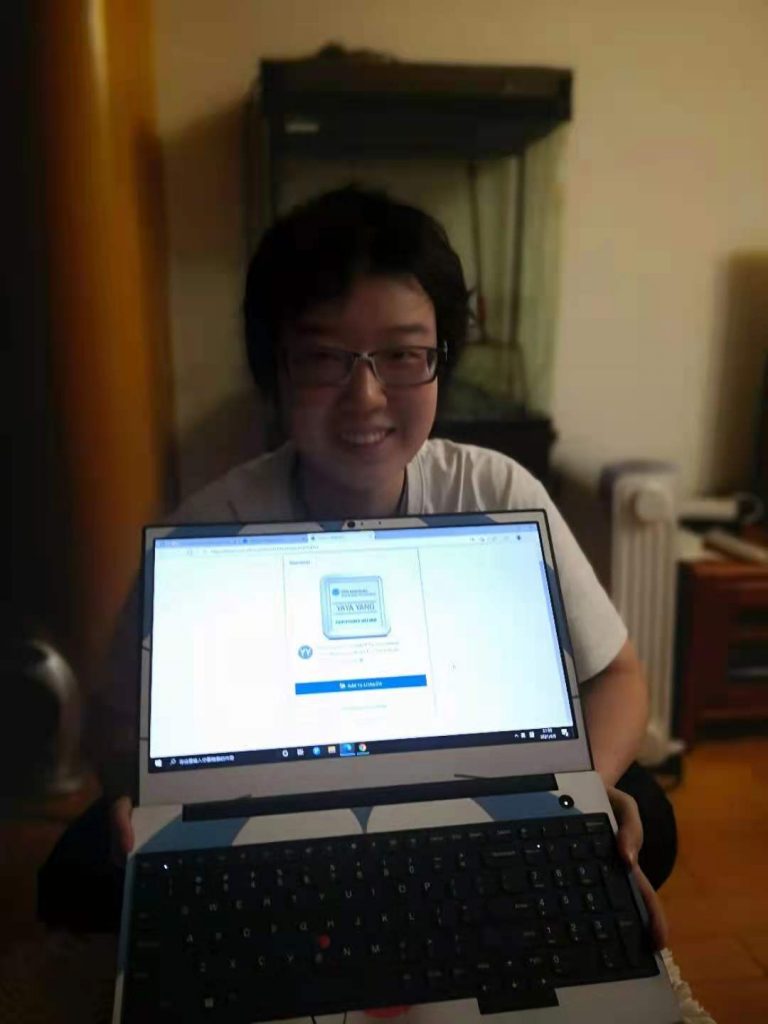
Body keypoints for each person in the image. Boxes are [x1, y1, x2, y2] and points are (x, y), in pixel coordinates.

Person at [40, 186, 675, 947]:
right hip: (273, 811)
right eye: (323, 359)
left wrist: (578, 797)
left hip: (467, 797)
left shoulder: (495, 491)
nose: (366, 397)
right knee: (82, 871)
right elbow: (117, 719)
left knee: (646, 820)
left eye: (402, 355)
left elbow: (618, 675)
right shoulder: (210, 524)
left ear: (440, 360)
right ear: (275, 369)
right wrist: (135, 791)